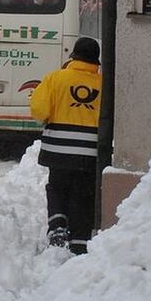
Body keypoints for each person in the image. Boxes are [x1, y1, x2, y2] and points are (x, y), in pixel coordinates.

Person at [29, 37, 102, 255]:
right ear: (95, 61)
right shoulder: (104, 83)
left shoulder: (55, 78)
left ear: (73, 57)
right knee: (84, 191)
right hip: (90, 151)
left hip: (58, 150)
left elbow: (40, 111)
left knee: (58, 186)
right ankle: (80, 240)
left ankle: (58, 225)